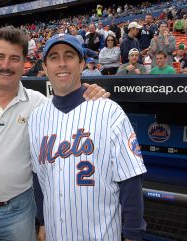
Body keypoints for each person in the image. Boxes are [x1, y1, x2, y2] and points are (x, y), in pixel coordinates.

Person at [0, 26, 109, 241]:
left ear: (24, 64)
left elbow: (69, 104)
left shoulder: (39, 104)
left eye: (14, 58)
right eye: (0, 57)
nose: (6, 65)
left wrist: (90, 93)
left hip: (20, 213)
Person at [28, 33, 147, 241]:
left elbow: (131, 179)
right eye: (54, 57)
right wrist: (43, 222)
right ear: (45, 67)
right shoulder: (36, 117)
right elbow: (39, 179)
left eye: (70, 56)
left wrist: (133, 234)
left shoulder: (109, 111)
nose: (62, 63)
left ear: (82, 63)